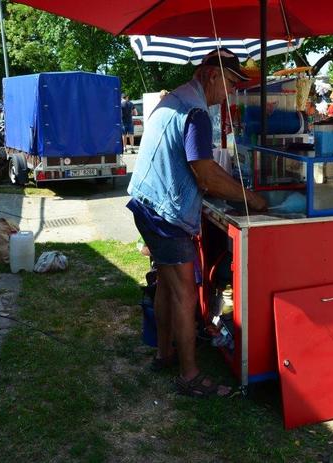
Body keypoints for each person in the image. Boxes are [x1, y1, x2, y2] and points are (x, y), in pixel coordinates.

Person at [126, 48, 266, 398]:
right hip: (165, 213)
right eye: (230, 83)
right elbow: (205, 175)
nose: (230, 93)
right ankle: (189, 376)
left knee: (167, 283)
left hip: (146, 201)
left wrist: (231, 184)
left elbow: (201, 163)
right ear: (211, 75)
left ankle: (164, 354)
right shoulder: (197, 112)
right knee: (185, 294)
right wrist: (250, 198)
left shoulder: (176, 98)